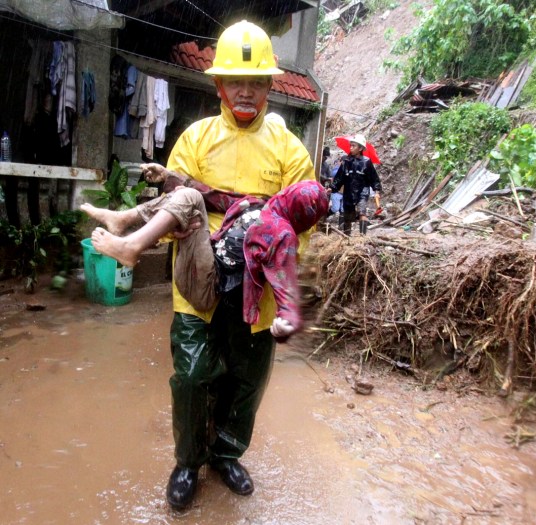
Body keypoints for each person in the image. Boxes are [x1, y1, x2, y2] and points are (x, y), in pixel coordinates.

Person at [128, 20, 316, 511]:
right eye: (237, 81)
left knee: (247, 377)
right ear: (219, 86)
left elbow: (305, 217)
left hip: (259, 283)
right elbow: (173, 206)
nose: (247, 92)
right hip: (197, 277)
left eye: (257, 82)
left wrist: (264, 238)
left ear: (271, 86)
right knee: (191, 374)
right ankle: (187, 461)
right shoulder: (196, 137)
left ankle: (226, 453)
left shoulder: (288, 148)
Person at [80, 179, 328, 340]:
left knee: (189, 197)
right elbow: (214, 196)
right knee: (188, 195)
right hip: (202, 264)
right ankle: (123, 220)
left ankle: (130, 246)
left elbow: (288, 287)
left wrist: (288, 322)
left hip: (208, 285)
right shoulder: (261, 205)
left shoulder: (283, 235)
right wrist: (169, 176)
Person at [329, 134, 382, 235]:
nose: (351, 148)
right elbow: (339, 178)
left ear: (361, 148)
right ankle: (347, 237)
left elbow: (374, 178)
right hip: (348, 192)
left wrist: (377, 190)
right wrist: (332, 188)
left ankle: (362, 237)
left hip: (362, 191)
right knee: (348, 217)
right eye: (351, 145)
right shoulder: (346, 162)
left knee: (362, 212)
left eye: (354, 146)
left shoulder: (366, 162)